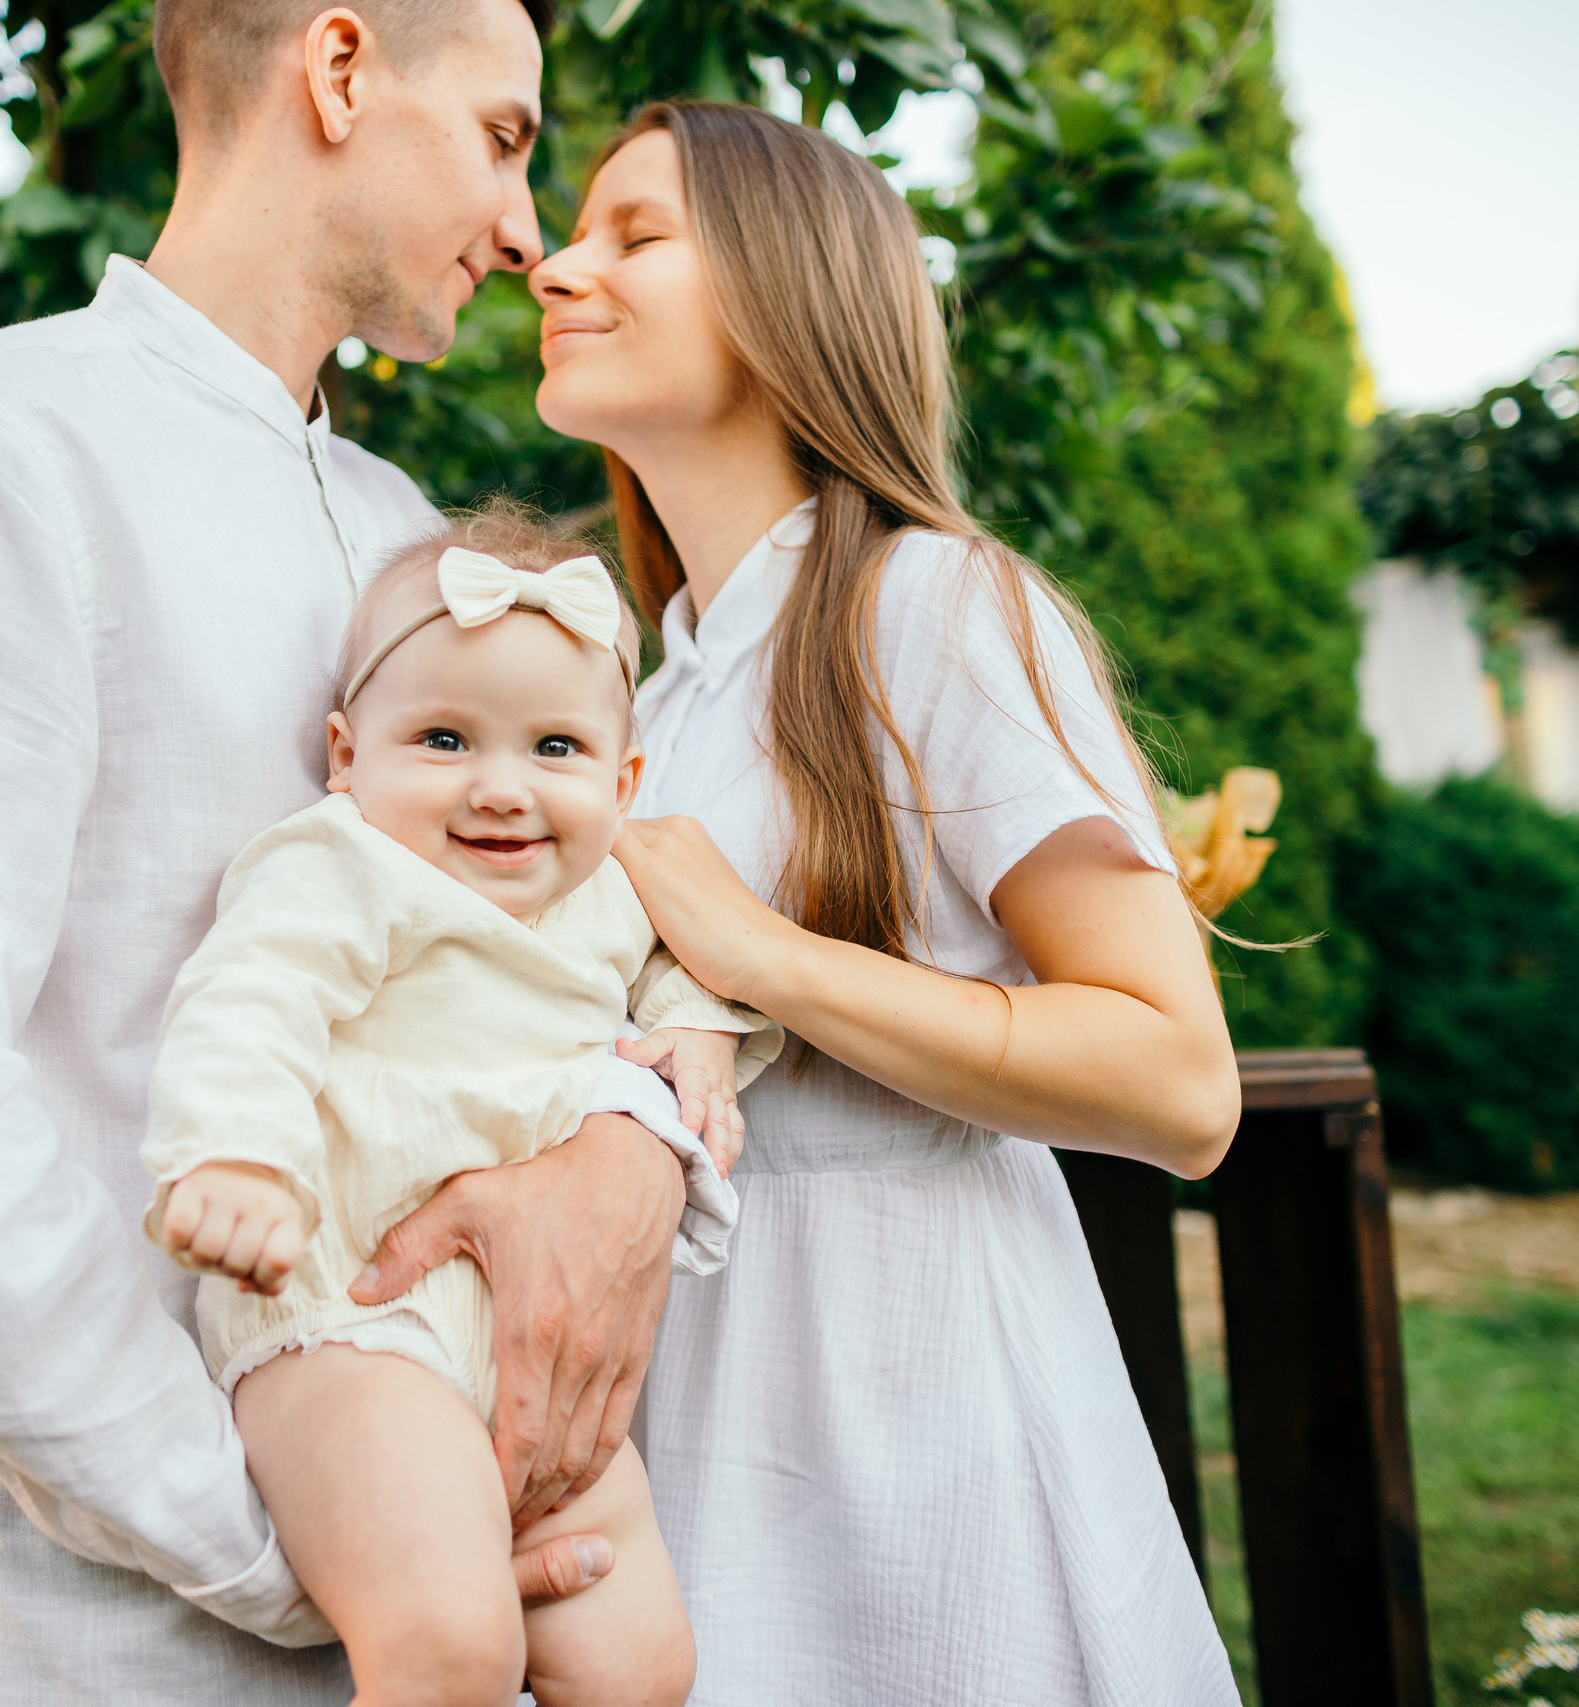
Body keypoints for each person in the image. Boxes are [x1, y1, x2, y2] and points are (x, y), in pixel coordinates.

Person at [0, 7, 729, 1698]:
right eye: (502, 138)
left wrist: (628, 1144)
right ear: (339, 70)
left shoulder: (410, 533)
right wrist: (281, 1541)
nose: (521, 226)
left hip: (456, 1565)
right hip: (102, 1620)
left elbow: (565, 938)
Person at [527, 102, 1247, 1702]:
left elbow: (1179, 1081)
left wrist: (762, 956)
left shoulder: (936, 603)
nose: (557, 264)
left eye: (635, 235)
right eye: (577, 230)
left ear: (792, 293)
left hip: (922, 1430)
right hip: (700, 1431)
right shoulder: (662, 675)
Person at [148, 511, 779, 1706]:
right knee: (449, 1647)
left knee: (641, 1666)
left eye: (555, 748)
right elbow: (250, 996)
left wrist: (698, 1024)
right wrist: (234, 1156)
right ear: (345, 754)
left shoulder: (607, 892)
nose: (501, 789)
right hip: (352, 1323)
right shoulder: (346, 864)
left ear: (623, 780)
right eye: (443, 739)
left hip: (534, 1350)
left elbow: (700, 965)